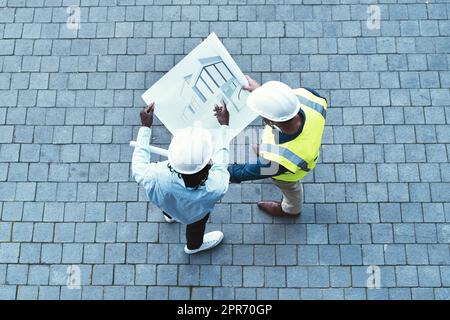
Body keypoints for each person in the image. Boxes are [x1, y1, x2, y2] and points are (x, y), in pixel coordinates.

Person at [131, 102, 231, 254]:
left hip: (166, 203)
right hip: (195, 216)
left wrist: (145, 127)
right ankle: (194, 246)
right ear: (207, 163)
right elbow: (222, 158)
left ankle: (169, 216)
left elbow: (138, 165)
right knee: (195, 230)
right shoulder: (217, 186)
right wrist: (224, 126)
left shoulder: (154, 175)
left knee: (169, 204)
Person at [228, 76, 327, 217]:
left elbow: (242, 172)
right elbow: (282, 105)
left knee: (292, 191)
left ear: (270, 120)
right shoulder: (308, 96)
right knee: (267, 151)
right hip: (290, 150)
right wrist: (261, 92)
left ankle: (291, 210)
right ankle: (264, 151)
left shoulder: (279, 160)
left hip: (288, 174)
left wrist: (209, 169)